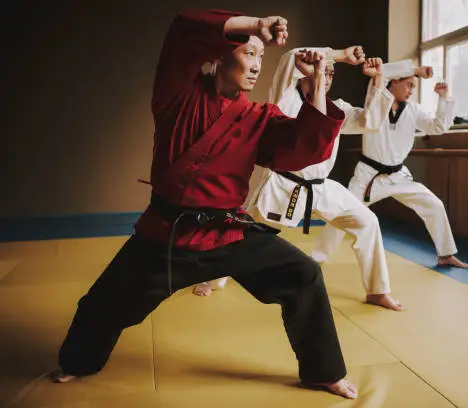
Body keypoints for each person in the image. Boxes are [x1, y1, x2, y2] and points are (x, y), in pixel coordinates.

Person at [50, 9, 358, 400]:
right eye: (249, 54)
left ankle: (323, 372)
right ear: (221, 54)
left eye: (262, 58)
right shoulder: (178, 92)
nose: (256, 66)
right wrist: (254, 26)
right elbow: (183, 30)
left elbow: (303, 150)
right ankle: (77, 362)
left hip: (227, 233)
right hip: (166, 234)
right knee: (102, 304)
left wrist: (315, 84)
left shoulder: (259, 117)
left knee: (304, 274)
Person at [195, 47, 417, 311]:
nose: (328, 77)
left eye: (332, 73)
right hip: (284, 187)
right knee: (244, 234)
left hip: (322, 188)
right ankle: (212, 278)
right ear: (305, 73)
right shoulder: (285, 97)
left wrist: (378, 79)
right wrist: (342, 55)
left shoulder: (337, 108)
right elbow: (291, 58)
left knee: (367, 222)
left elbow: (370, 121)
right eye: (324, 70)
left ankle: (377, 291)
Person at [313, 62, 468, 269]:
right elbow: (382, 72)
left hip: (398, 176)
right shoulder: (376, 101)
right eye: (408, 84)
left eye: (413, 86)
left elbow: (437, 127)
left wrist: (443, 98)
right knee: (343, 213)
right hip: (368, 176)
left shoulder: (413, 110)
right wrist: (416, 70)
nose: (411, 90)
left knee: (434, 205)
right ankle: (317, 258)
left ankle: (446, 254)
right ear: (393, 82)